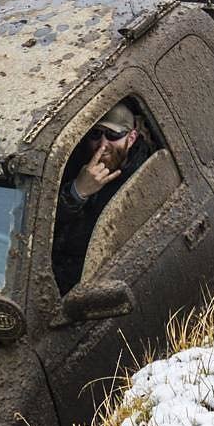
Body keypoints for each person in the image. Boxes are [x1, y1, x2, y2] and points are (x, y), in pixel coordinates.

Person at [52, 102, 152, 293]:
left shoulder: (143, 176)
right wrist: (76, 193)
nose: (103, 145)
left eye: (113, 135)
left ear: (131, 138)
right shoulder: (72, 164)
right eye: (96, 134)